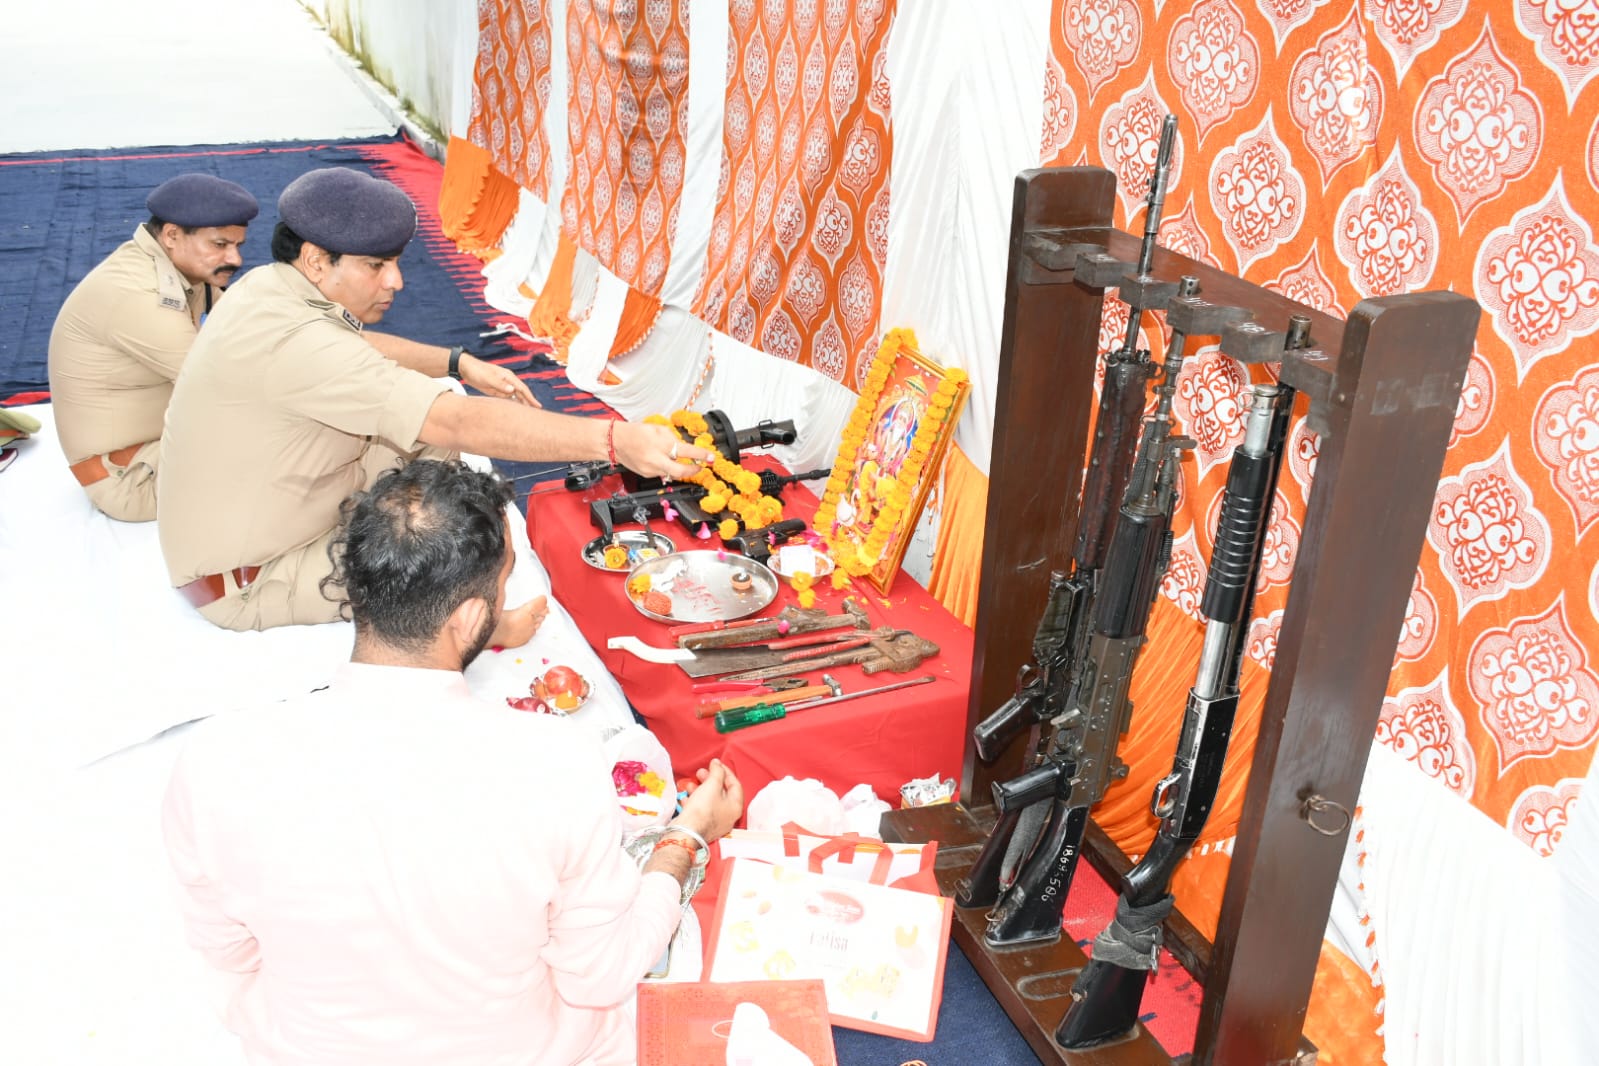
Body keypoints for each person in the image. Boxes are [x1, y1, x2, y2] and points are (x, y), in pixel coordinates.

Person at [163, 458, 744, 1065]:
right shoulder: (554, 765)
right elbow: (599, 976)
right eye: (504, 581)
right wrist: (685, 838)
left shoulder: (215, 761)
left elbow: (229, 957)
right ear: (469, 617)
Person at [157, 166, 706, 636]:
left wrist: (458, 362)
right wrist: (614, 439)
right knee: (467, 539)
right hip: (255, 580)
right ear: (317, 259)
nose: (396, 281)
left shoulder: (270, 289)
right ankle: (476, 628)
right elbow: (457, 421)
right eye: (376, 266)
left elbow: (357, 346)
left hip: (273, 512)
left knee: (442, 463)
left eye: (394, 262)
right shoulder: (299, 342)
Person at [47, 173, 258, 520]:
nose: (235, 259)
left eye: (238, 246)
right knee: (307, 443)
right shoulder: (137, 293)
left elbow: (255, 332)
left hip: (164, 447)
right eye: (220, 244)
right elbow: (230, 386)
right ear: (172, 235)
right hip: (133, 479)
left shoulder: (179, 270)